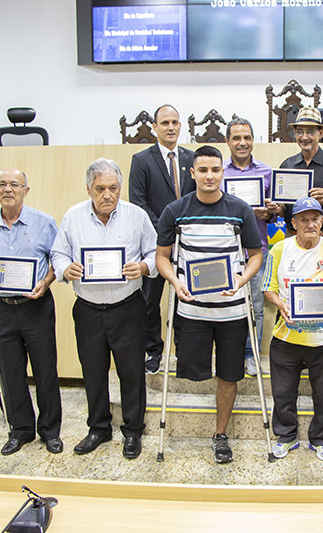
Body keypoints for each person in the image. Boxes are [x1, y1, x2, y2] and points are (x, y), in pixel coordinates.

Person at [156, 145, 262, 464]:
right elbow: (162, 258)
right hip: (192, 312)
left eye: (215, 170)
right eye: (203, 170)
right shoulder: (175, 211)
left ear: (223, 172)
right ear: (192, 173)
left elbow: (255, 256)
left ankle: (220, 435)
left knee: (229, 375)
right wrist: (174, 281)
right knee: (193, 370)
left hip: (232, 311)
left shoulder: (240, 210)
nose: (209, 176)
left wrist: (241, 281)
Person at [51, 158, 157, 459]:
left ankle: (133, 430)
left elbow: (154, 252)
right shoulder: (73, 217)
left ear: (120, 188)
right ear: (88, 189)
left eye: (112, 188)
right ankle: (98, 428)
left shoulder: (136, 216)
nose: (107, 194)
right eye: (100, 188)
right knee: (93, 371)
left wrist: (144, 266)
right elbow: (58, 252)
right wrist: (64, 268)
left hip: (128, 307)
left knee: (132, 371)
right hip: (88, 309)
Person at [0, 169, 63, 456]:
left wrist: (46, 282)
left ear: (26, 189)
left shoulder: (44, 222)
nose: (8, 189)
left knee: (45, 371)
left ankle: (50, 431)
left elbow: (57, 260)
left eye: (14, 184)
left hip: (35, 306)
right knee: (9, 374)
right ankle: (20, 430)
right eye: (2, 184)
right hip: (1, 308)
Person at [262, 197, 323, 461]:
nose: (311, 224)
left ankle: (320, 438)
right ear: (294, 223)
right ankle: (286, 436)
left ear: (322, 221)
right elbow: (268, 288)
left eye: (316, 218)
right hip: (286, 336)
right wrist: (280, 303)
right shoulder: (279, 249)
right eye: (304, 219)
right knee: (283, 393)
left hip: (322, 339)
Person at [128, 104, 196, 374]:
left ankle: (184, 351)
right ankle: (154, 351)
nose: (170, 127)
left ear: (181, 127)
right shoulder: (141, 160)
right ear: (154, 127)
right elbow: (139, 203)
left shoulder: (193, 159)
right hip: (155, 244)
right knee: (149, 301)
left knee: (185, 298)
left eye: (175, 122)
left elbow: (198, 198)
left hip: (189, 245)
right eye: (165, 122)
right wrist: (166, 232)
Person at [223, 116, 279, 376]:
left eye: (246, 137)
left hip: (257, 251)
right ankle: (229, 356)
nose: (242, 143)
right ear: (227, 141)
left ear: (253, 141)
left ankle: (252, 354)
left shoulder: (268, 173)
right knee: (227, 305)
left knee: (255, 306)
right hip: (225, 253)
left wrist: (271, 213)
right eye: (236, 137)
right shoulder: (219, 173)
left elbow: (276, 215)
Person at [278, 107, 323, 240]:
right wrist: (278, 209)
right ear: (294, 134)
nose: (304, 137)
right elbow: (284, 210)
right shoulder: (287, 165)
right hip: (292, 237)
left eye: (311, 132)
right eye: (299, 132)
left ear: (321, 133)